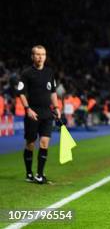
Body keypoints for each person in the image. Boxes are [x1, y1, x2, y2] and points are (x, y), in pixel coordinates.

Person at [17, 45, 61, 184]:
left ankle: (40, 175)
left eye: (43, 54)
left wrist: (56, 107)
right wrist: (27, 109)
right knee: (30, 143)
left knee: (44, 142)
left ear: (45, 56)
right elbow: (21, 93)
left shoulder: (49, 72)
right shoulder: (26, 73)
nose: (40, 57)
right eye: (37, 54)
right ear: (32, 56)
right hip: (33, 112)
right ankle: (29, 173)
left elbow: (53, 92)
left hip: (47, 113)